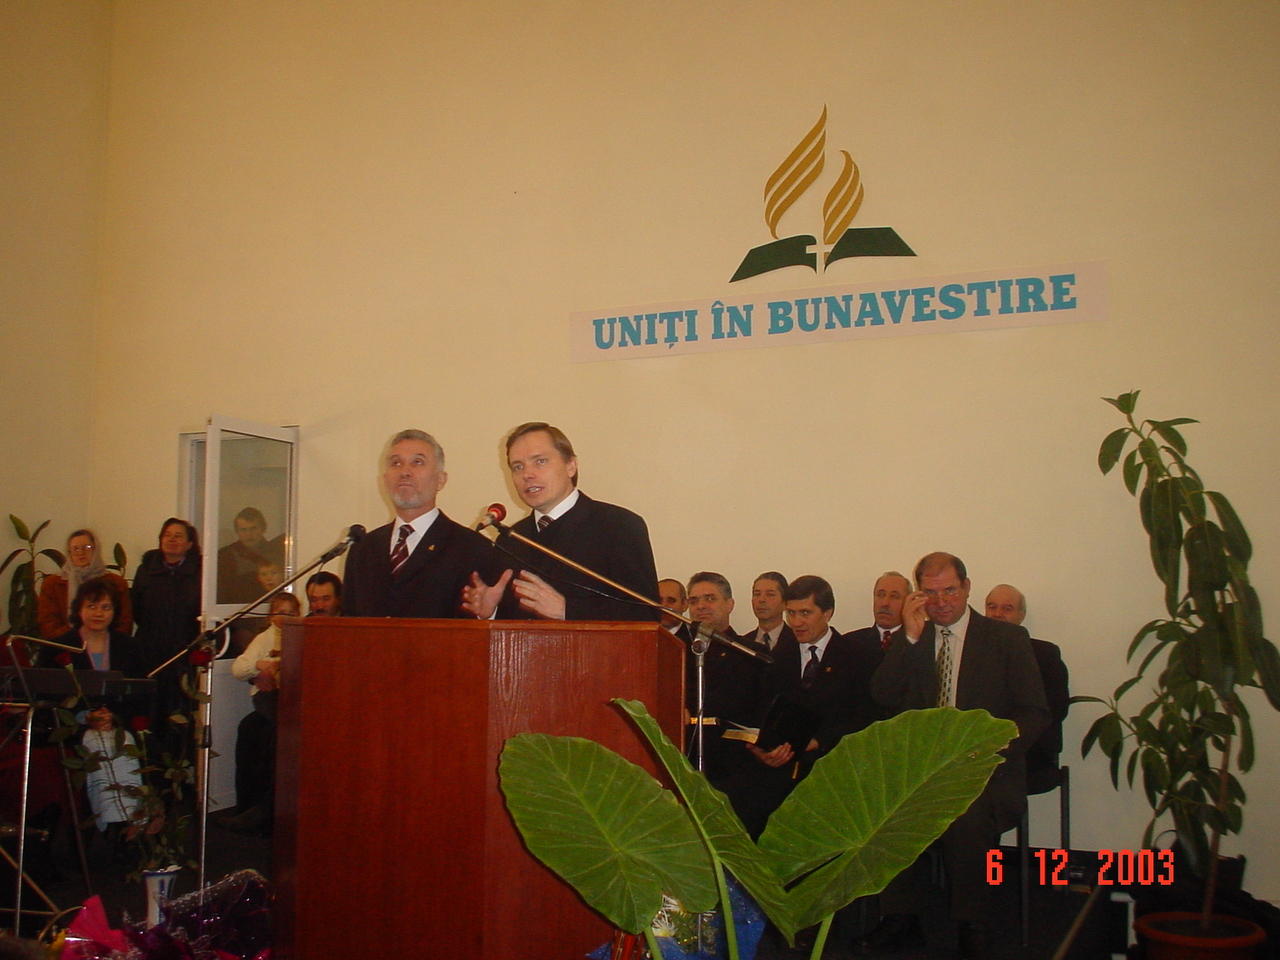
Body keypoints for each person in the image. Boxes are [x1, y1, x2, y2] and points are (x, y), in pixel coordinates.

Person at [867, 553, 1049, 960]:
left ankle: (973, 922)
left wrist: (988, 749)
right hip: (922, 770)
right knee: (887, 803)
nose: (941, 601)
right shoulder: (914, 637)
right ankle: (900, 918)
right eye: (930, 593)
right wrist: (909, 637)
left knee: (967, 812)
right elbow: (883, 695)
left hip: (987, 770)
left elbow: (1034, 713)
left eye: (949, 590)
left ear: (966, 588)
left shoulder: (1005, 640)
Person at [727, 575, 884, 838]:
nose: (796, 622)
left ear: (828, 612)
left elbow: (867, 717)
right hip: (778, 780)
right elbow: (760, 714)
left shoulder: (859, 657)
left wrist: (819, 741)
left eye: (805, 613)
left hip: (835, 777)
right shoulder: (775, 659)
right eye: (791, 613)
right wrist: (760, 749)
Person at [463, 423, 659, 622]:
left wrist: (567, 610)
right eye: (518, 467)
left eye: (540, 461)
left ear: (570, 466)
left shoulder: (619, 526)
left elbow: (646, 615)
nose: (527, 474)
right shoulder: (510, 540)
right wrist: (491, 612)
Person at [343, 430, 500, 618]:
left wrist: (487, 615)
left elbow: (478, 622)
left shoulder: (472, 548)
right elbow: (348, 624)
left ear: (440, 480)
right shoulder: (362, 549)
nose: (404, 472)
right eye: (396, 463)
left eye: (417, 462)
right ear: (385, 480)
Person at [223, 591, 301, 835]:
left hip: (292, 697)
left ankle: (265, 812)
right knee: (256, 729)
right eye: (280, 612)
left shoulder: (302, 635)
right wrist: (258, 666)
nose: (286, 618)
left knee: (278, 735)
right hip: (268, 698)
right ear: (270, 616)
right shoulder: (264, 639)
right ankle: (248, 807)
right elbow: (239, 668)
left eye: (292, 613)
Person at [984, 583, 1071, 793]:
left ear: (1021, 615)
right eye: (992, 607)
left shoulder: (1044, 655)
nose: (997, 614)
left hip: (1029, 754)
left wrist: (1007, 743)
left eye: (1007, 608)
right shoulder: (972, 653)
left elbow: (1056, 709)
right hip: (979, 751)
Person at [682, 572, 761, 783]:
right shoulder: (676, 650)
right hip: (684, 757)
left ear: (729, 604)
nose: (701, 606)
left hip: (737, 763)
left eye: (710, 599)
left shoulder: (751, 653)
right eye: (694, 601)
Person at [130, 518, 203, 732]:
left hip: (185, 653)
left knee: (181, 712)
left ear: (189, 544)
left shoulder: (201, 573)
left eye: (178, 536)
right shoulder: (145, 570)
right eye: (167, 535)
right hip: (150, 651)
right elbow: (137, 609)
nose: (171, 540)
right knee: (151, 711)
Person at [37, 529, 133, 640]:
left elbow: (124, 622)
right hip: (65, 644)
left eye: (86, 547)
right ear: (69, 553)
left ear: (96, 550)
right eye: (75, 549)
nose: (80, 553)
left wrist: (100, 641)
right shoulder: (52, 583)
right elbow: (48, 622)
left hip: (107, 644)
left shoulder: (116, 582)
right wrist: (75, 639)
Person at [217, 507, 284, 604]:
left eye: (253, 528)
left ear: (263, 529)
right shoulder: (225, 556)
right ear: (237, 532)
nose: (248, 534)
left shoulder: (278, 553)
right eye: (243, 530)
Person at [845, 571, 911, 652]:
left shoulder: (919, 643)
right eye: (881, 595)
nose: (885, 603)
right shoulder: (849, 643)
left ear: (908, 602)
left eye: (894, 596)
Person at [745, 571, 793, 650]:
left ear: (785, 603)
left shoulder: (797, 641)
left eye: (770, 595)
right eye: (757, 594)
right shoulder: (743, 644)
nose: (761, 600)